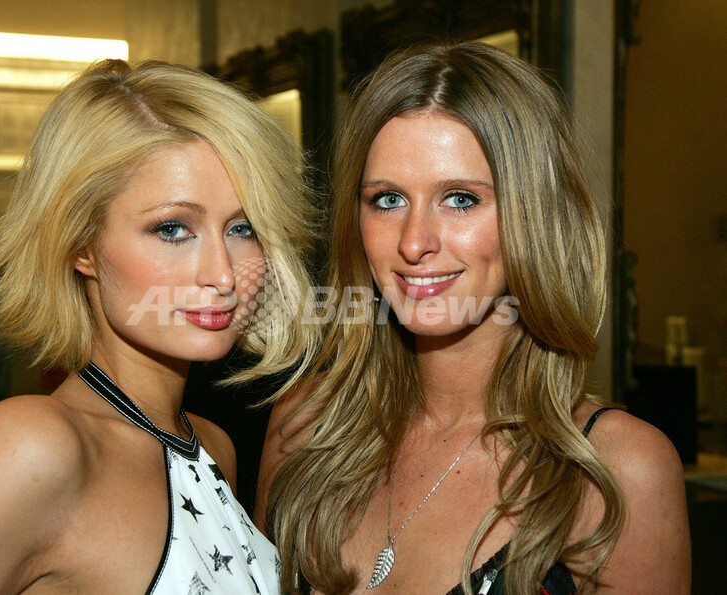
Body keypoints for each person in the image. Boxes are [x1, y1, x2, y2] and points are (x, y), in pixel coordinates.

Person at [256, 42, 690, 594]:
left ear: (534, 216)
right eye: (387, 200)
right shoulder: (305, 426)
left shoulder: (614, 471)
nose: (414, 242)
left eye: (460, 199)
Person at [0, 58, 318, 593]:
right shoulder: (35, 448)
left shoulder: (213, 446)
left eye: (243, 228)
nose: (224, 274)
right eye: (172, 229)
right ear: (81, 245)